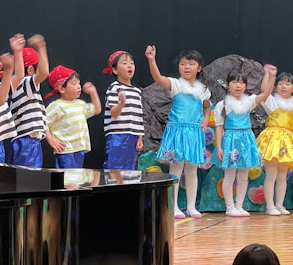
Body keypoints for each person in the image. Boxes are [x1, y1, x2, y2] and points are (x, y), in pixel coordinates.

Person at [146, 46, 211, 219]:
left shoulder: (203, 90)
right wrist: (152, 60)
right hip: (177, 132)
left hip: (194, 133)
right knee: (176, 168)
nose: (186, 67)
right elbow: (158, 78)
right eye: (183, 64)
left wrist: (205, 119)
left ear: (199, 68)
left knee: (192, 170)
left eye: (191, 64)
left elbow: (207, 108)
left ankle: (191, 207)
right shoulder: (176, 84)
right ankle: (173, 206)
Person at [214, 66, 277, 217]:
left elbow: (265, 94)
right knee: (230, 175)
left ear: (245, 86)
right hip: (231, 140)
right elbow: (219, 127)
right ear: (228, 85)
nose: (238, 85)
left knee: (243, 175)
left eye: (241, 83)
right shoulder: (222, 105)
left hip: (246, 139)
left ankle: (239, 206)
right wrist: (219, 147)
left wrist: (272, 76)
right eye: (234, 82)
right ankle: (229, 207)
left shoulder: (248, 101)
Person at [257, 72, 293, 216]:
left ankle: (279, 204)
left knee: (283, 176)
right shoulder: (272, 102)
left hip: (286, 143)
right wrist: (269, 75)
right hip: (272, 141)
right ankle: (270, 206)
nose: (283, 86)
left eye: (287, 84)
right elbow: (264, 90)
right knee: (271, 175)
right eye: (280, 83)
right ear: (275, 87)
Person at [44, 65, 101, 169]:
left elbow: (97, 109)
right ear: (62, 88)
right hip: (65, 150)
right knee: (66, 177)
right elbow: (43, 122)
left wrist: (93, 92)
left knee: (75, 176)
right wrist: (51, 139)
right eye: (74, 83)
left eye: (79, 83)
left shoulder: (80, 104)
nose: (79, 86)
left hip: (79, 149)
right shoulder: (57, 105)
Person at [10, 34, 50, 168]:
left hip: (26, 141)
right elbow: (44, 72)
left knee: (26, 176)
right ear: (31, 70)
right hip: (27, 142)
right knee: (29, 177)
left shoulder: (19, 87)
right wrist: (41, 47)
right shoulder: (26, 84)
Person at [103, 51, 145, 170]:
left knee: (129, 168)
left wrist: (140, 137)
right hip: (117, 135)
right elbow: (114, 113)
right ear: (115, 70)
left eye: (131, 63)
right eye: (125, 63)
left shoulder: (137, 91)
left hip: (132, 136)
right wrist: (121, 103)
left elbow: (138, 115)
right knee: (114, 167)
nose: (129, 65)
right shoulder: (114, 88)